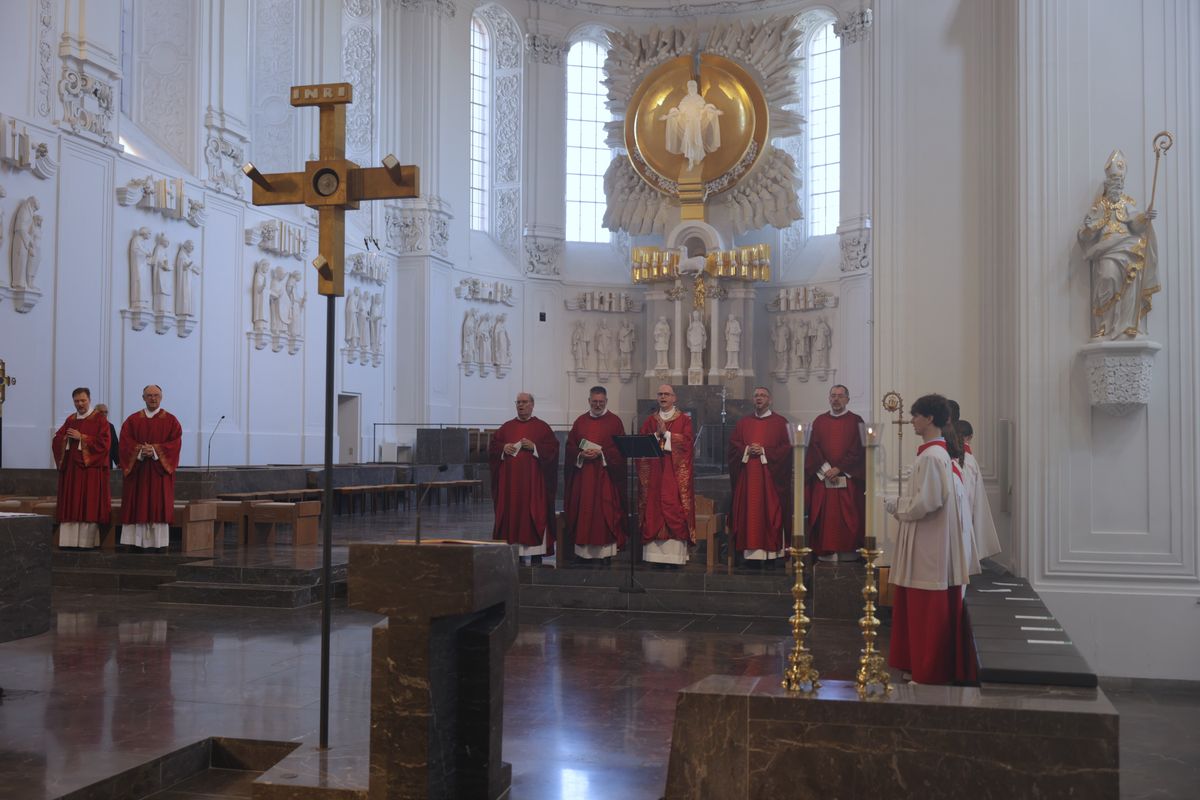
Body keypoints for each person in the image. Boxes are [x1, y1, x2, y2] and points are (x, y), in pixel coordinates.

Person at [884, 394, 975, 685]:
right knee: (918, 608)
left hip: (929, 546)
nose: (911, 420)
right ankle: (916, 665)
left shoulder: (935, 457)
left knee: (927, 612)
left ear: (930, 418)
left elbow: (929, 501)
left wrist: (897, 506)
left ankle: (928, 672)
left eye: (916, 415)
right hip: (927, 541)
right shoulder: (932, 454)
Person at [1077, 148, 1159, 340]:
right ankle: (1105, 326)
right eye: (1114, 180)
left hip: (1127, 246)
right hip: (1106, 250)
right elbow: (1086, 235)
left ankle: (1128, 325)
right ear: (1107, 182)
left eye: (1119, 181)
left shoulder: (1127, 202)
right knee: (1107, 277)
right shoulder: (1100, 205)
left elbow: (1135, 222)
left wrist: (1145, 217)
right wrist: (1089, 228)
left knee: (1132, 280)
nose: (1117, 184)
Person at [488, 392, 559, 565]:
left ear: (532, 405)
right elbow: (493, 447)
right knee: (513, 515)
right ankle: (516, 555)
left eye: (525, 402)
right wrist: (503, 448)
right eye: (518, 402)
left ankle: (536, 555)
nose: (521, 405)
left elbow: (553, 450)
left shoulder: (542, 427)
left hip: (534, 486)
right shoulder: (506, 427)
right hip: (511, 486)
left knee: (535, 514)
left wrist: (535, 447)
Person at [727, 387, 791, 567]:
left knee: (770, 513)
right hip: (748, 480)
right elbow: (733, 446)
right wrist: (747, 449)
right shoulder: (744, 423)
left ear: (770, 399)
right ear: (752, 400)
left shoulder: (780, 422)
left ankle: (773, 555)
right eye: (756, 396)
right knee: (750, 513)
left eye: (762, 395)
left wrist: (763, 450)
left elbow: (787, 448)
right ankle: (750, 555)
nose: (759, 398)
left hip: (771, 481)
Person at [564, 386, 627, 564]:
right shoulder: (580, 422)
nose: (597, 405)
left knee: (604, 512)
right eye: (594, 401)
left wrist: (603, 454)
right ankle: (583, 554)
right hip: (584, 478)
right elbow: (570, 447)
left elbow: (620, 449)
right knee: (584, 512)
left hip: (605, 476)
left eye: (601, 402)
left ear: (606, 401)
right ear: (589, 401)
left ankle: (605, 554)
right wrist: (579, 454)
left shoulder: (615, 422)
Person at [806, 384, 865, 562]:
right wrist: (826, 470)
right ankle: (826, 552)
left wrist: (839, 469)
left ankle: (849, 552)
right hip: (824, 478)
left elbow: (858, 449)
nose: (836, 399)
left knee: (849, 516)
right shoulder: (819, 421)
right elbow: (813, 448)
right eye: (833, 395)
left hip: (847, 478)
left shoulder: (856, 421)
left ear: (847, 399)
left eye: (840, 396)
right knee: (826, 517)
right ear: (829, 398)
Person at [119, 385, 182, 551]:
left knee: (157, 506)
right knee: (137, 504)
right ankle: (135, 542)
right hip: (138, 474)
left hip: (158, 474)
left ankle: (158, 544)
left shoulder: (171, 421)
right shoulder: (132, 420)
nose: (153, 398)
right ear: (143, 398)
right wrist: (139, 450)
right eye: (149, 395)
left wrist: (154, 450)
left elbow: (175, 444)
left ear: (161, 397)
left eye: (156, 395)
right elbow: (124, 443)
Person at [638, 384, 694, 567]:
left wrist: (667, 435)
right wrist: (656, 436)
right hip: (654, 474)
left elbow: (687, 444)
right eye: (660, 394)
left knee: (673, 505)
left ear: (674, 398)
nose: (663, 397)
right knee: (654, 507)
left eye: (667, 394)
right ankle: (654, 557)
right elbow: (642, 447)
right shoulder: (649, 421)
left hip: (674, 475)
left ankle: (674, 558)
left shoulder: (684, 420)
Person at [51, 388, 112, 549]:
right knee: (71, 503)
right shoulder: (71, 419)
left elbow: (104, 444)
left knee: (87, 504)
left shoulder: (100, 420)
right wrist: (64, 439)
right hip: (71, 471)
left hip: (89, 471)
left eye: (83, 400)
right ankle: (68, 541)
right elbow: (57, 439)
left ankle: (86, 543)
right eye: (77, 401)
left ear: (89, 399)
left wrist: (82, 438)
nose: (80, 404)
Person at [956, 420, 1002, 562]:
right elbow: (974, 496)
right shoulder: (970, 460)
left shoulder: (948, 457)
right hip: (965, 514)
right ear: (969, 437)